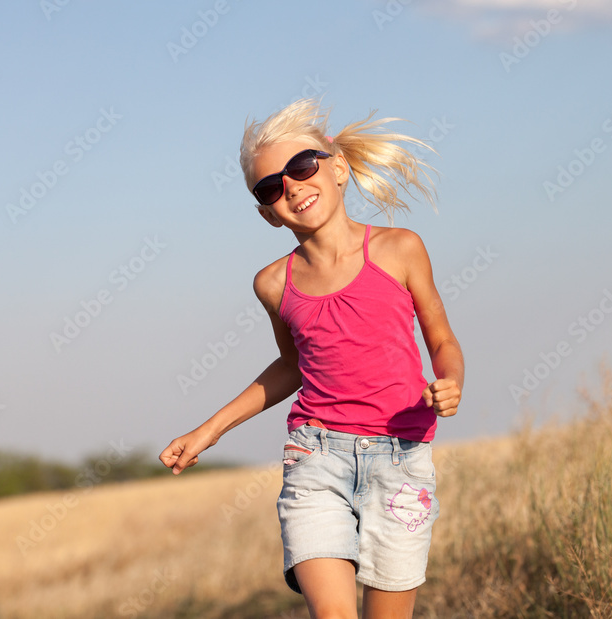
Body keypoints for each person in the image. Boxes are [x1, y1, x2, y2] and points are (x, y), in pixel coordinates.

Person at [160, 98, 464, 618]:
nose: (292, 186)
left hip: (402, 458)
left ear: (338, 168)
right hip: (316, 458)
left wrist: (451, 379)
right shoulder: (273, 283)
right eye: (270, 187)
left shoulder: (400, 249)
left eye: (302, 166)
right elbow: (292, 366)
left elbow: (441, 339)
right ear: (267, 214)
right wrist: (208, 431)